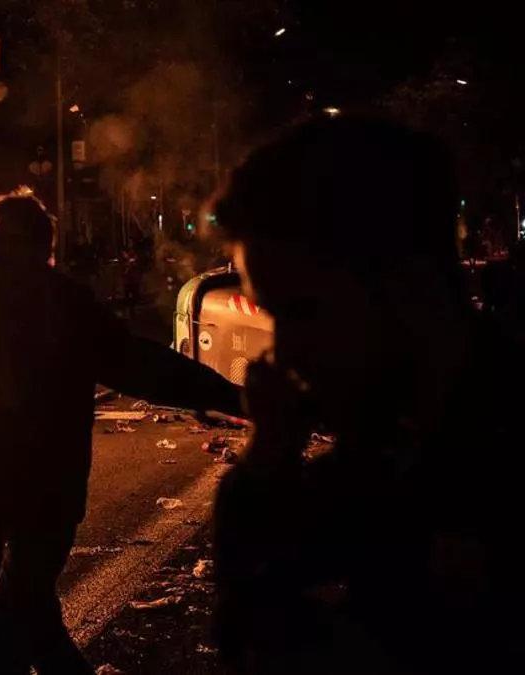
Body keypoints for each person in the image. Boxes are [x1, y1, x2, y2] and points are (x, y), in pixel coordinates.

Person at [0, 106, 244, 674]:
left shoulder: (27, 303)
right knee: (35, 620)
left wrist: (234, 399)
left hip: (43, 493)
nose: (4, 252)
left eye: (13, 243)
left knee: (7, 635)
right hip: (3, 486)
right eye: (0, 241)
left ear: (40, 250)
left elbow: (149, 366)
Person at [210, 116, 525, 673]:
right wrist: (268, 453)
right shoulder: (389, 444)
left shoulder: (489, 447)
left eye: (305, 312)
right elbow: (250, 613)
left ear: (407, 283)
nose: (286, 355)